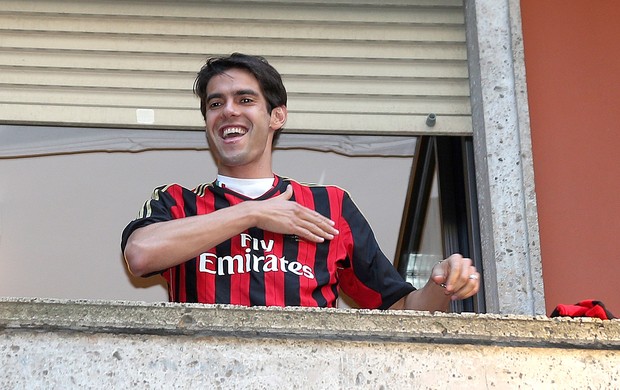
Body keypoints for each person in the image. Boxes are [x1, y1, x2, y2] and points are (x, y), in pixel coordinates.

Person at [121, 53, 479, 312]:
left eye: (245, 99)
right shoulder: (175, 202)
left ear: (277, 116)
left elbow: (399, 308)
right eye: (216, 104)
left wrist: (441, 285)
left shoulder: (331, 206)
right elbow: (139, 254)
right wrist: (252, 214)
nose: (228, 110)